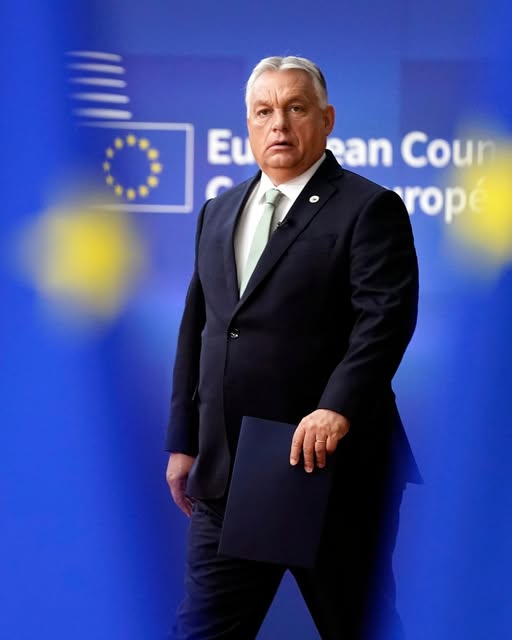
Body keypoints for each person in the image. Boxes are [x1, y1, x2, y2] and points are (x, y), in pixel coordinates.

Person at [165, 55, 419, 639]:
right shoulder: (218, 211)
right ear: (249, 125)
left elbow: (384, 319)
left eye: (295, 108)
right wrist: (183, 440)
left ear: (326, 119)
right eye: (264, 111)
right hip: (228, 474)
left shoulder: (368, 207)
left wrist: (337, 407)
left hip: (328, 471)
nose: (278, 123)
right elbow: (199, 327)